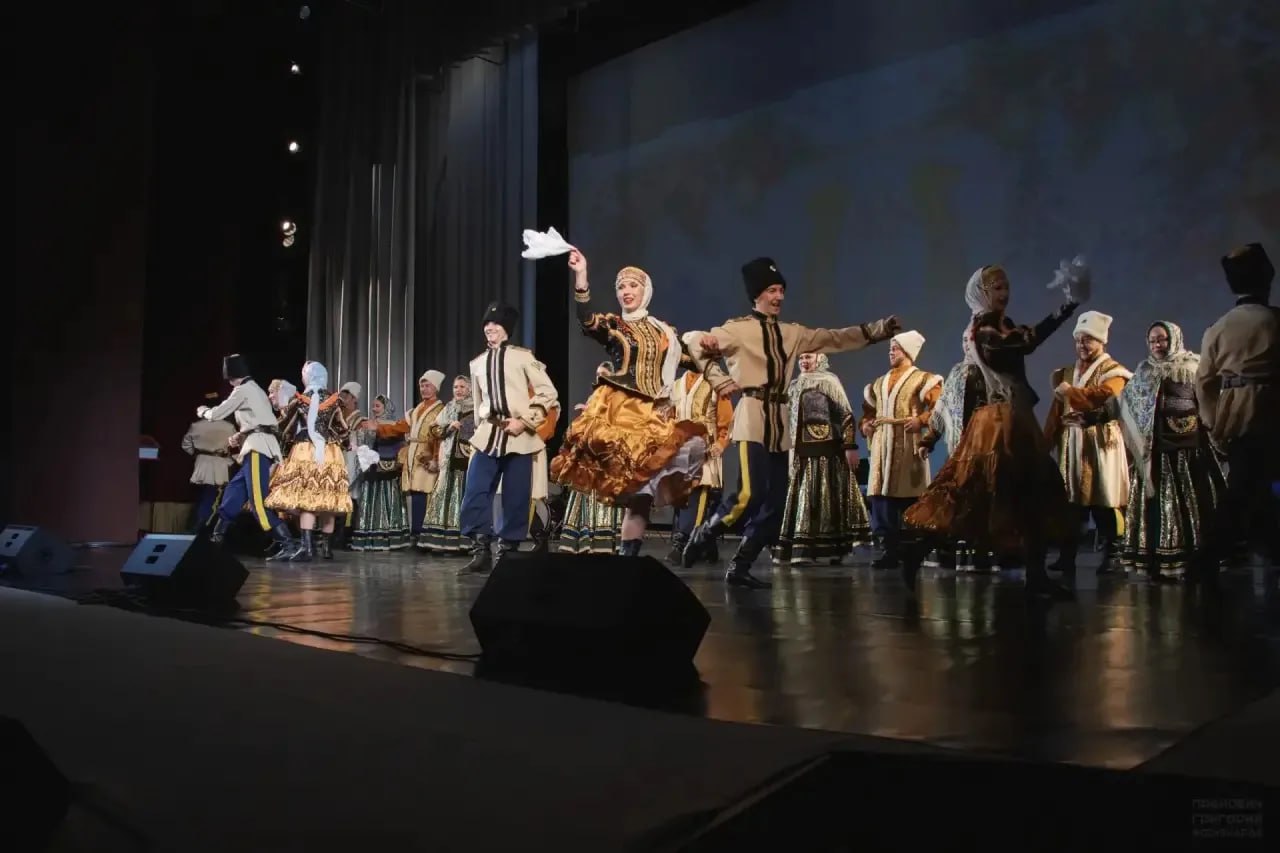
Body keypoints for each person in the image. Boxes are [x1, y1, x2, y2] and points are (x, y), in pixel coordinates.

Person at [680, 257, 901, 588]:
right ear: (757, 294)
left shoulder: (791, 332)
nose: (778, 296)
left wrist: (879, 330)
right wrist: (716, 374)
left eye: (781, 290)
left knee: (777, 504)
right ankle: (705, 533)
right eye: (772, 290)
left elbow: (834, 338)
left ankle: (740, 565)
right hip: (753, 415)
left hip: (780, 421)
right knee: (748, 494)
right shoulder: (737, 329)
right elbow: (693, 341)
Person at [901, 261, 1087, 601]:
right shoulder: (984, 328)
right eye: (997, 287)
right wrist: (1065, 308)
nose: (1004, 293)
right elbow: (1023, 343)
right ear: (981, 293)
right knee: (978, 493)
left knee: (1030, 494)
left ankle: (1035, 575)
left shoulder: (999, 324)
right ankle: (920, 548)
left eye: (1006, 286)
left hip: (1013, 418)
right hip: (1000, 423)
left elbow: (1020, 342)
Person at [551, 250, 719, 557]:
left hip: (656, 413)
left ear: (646, 291)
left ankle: (629, 557)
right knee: (630, 487)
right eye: (621, 287)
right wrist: (581, 276)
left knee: (644, 493)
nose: (626, 292)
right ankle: (620, 554)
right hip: (623, 409)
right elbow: (587, 321)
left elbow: (692, 362)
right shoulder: (615, 325)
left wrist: (711, 346)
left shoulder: (665, 332)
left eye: (633, 286)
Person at [1095, 322, 1226, 580]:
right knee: (1158, 508)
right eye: (1153, 340)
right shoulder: (1144, 371)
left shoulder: (1193, 367)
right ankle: (1159, 563)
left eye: (1162, 339)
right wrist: (1096, 415)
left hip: (1188, 453)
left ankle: (1196, 561)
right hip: (1155, 453)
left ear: (1174, 339)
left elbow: (1210, 403)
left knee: (1193, 506)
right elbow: (1123, 403)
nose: (1157, 345)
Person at [1194, 242, 1280, 583]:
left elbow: (1204, 382)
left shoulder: (1218, 328)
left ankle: (1218, 555)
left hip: (1237, 414)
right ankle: (1206, 558)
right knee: (1247, 489)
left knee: (1251, 486)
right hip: (1273, 410)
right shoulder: (1276, 320)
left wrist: (1214, 422)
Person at [459, 302, 559, 574]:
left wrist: (525, 421)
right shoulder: (477, 363)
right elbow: (479, 403)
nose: (490, 328)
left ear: (506, 329)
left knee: (516, 496)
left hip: (520, 435)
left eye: (496, 324)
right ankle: (480, 550)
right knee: (475, 492)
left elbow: (548, 392)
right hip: (489, 434)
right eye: (487, 325)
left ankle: (507, 553)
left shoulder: (522, 357)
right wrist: (479, 429)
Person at [1043, 311, 1132, 575]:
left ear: (1101, 341)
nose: (1082, 345)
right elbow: (1056, 412)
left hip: (1101, 445)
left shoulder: (1114, 372)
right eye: (1079, 340)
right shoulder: (1066, 373)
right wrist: (1045, 444)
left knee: (1105, 501)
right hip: (1072, 445)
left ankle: (1114, 555)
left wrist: (1070, 392)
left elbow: (1100, 397)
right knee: (1071, 504)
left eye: (1088, 339)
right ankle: (1067, 556)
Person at [776, 352, 870, 565]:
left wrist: (849, 446)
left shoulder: (829, 382)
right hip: (799, 450)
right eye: (801, 358)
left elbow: (846, 414)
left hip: (826, 450)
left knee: (825, 498)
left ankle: (830, 551)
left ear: (819, 359)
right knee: (803, 500)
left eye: (808, 357)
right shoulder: (794, 385)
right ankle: (801, 550)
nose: (804, 362)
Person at [198, 354, 294, 557]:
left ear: (232, 376)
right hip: (255, 446)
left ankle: (287, 543)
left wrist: (203, 411)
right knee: (233, 493)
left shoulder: (243, 390)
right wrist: (240, 436)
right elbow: (259, 422)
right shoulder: (256, 389)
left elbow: (217, 414)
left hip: (258, 448)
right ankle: (217, 537)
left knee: (258, 501)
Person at [860, 331, 941, 568]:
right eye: (890, 348)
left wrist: (921, 420)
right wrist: (866, 424)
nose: (891, 352)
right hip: (882, 443)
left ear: (907, 351)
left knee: (909, 491)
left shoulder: (923, 379)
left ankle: (913, 547)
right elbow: (868, 410)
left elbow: (938, 407)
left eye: (895, 348)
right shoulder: (878, 383)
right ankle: (889, 549)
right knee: (880, 493)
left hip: (908, 441)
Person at [265, 361, 355, 561]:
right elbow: (342, 429)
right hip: (330, 451)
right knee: (328, 499)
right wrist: (347, 444)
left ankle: (307, 548)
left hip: (305, 450)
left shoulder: (300, 400)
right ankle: (327, 549)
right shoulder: (335, 400)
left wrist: (272, 434)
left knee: (308, 499)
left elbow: (285, 427)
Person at [667, 364, 735, 565]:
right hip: (681, 449)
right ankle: (706, 545)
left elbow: (727, 419)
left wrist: (721, 442)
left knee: (700, 493)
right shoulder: (677, 385)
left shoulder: (715, 384)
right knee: (683, 495)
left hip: (706, 448)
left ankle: (683, 544)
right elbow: (670, 416)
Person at [371, 370, 446, 546]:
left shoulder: (441, 411)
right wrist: (379, 428)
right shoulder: (416, 410)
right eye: (422, 386)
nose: (424, 389)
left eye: (427, 386)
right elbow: (400, 427)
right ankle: (416, 532)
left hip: (427, 454)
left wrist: (436, 458)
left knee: (425, 491)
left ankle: (426, 532)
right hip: (414, 453)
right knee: (414, 491)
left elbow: (440, 437)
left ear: (436, 387)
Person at [349, 394, 411, 551]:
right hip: (372, 468)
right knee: (371, 500)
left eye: (377, 406)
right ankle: (371, 537)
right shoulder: (367, 423)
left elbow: (400, 444)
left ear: (386, 407)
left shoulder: (395, 425)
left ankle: (391, 537)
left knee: (389, 500)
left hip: (389, 469)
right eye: (373, 406)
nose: (374, 409)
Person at [421, 377, 475, 553]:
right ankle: (441, 541)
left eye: (462, 387)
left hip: (467, 461)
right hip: (448, 459)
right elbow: (433, 429)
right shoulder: (449, 407)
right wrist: (449, 428)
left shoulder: (477, 409)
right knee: (444, 496)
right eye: (455, 387)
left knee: (463, 497)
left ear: (469, 389)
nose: (458, 390)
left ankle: (464, 542)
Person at [182, 392, 236, 532]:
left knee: (203, 495)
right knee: (213, 497)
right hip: (220, 465)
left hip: (201, 464)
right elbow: (235, 447)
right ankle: (204, 527)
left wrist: (197, 455)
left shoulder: (196, 425)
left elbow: (186, 445)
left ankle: (199, 525)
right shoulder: (228, 427)